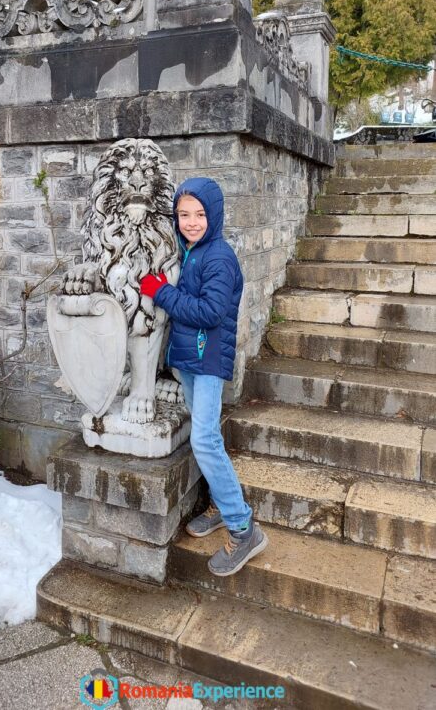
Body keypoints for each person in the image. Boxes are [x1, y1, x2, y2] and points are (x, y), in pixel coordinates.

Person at [140, 177, 268, 576]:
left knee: (205, 439)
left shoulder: (218, 257)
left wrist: (159, 292)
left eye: (199, 214)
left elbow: (211, 313)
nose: (190, 222)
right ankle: (218, 504)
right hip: (192, 361)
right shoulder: (192, 250)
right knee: (205, 434)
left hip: (208, 361)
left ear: (214, 215)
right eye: (183, 214)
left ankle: (243, 527)